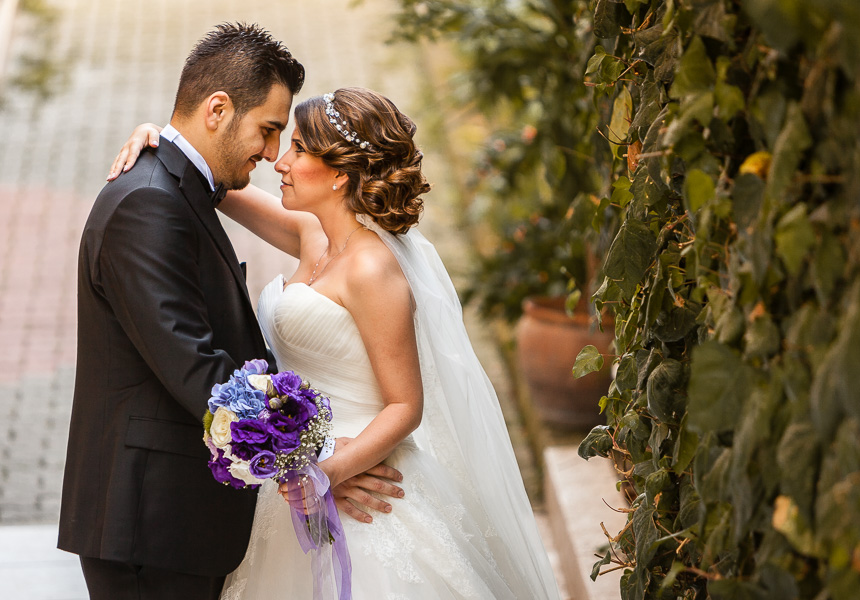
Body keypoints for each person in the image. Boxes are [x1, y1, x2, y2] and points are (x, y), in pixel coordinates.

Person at [113, 86, 561, 599]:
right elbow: (211, 178)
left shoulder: (373, 269)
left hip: (358, 478)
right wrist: (160, 141)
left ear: (340, 173)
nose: (278, 161)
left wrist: (328, 473)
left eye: (299, 149)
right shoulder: (312, 234)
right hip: (297, 474)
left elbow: (405, 404)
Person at [60, 25, 400, 600]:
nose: (272, 155)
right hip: (152, 527)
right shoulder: (149, 204)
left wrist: (160, 135)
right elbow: (201, 374)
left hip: (178, 522)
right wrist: (311, 469)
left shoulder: (181, 186)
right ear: (217, 108)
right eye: (269, 131)